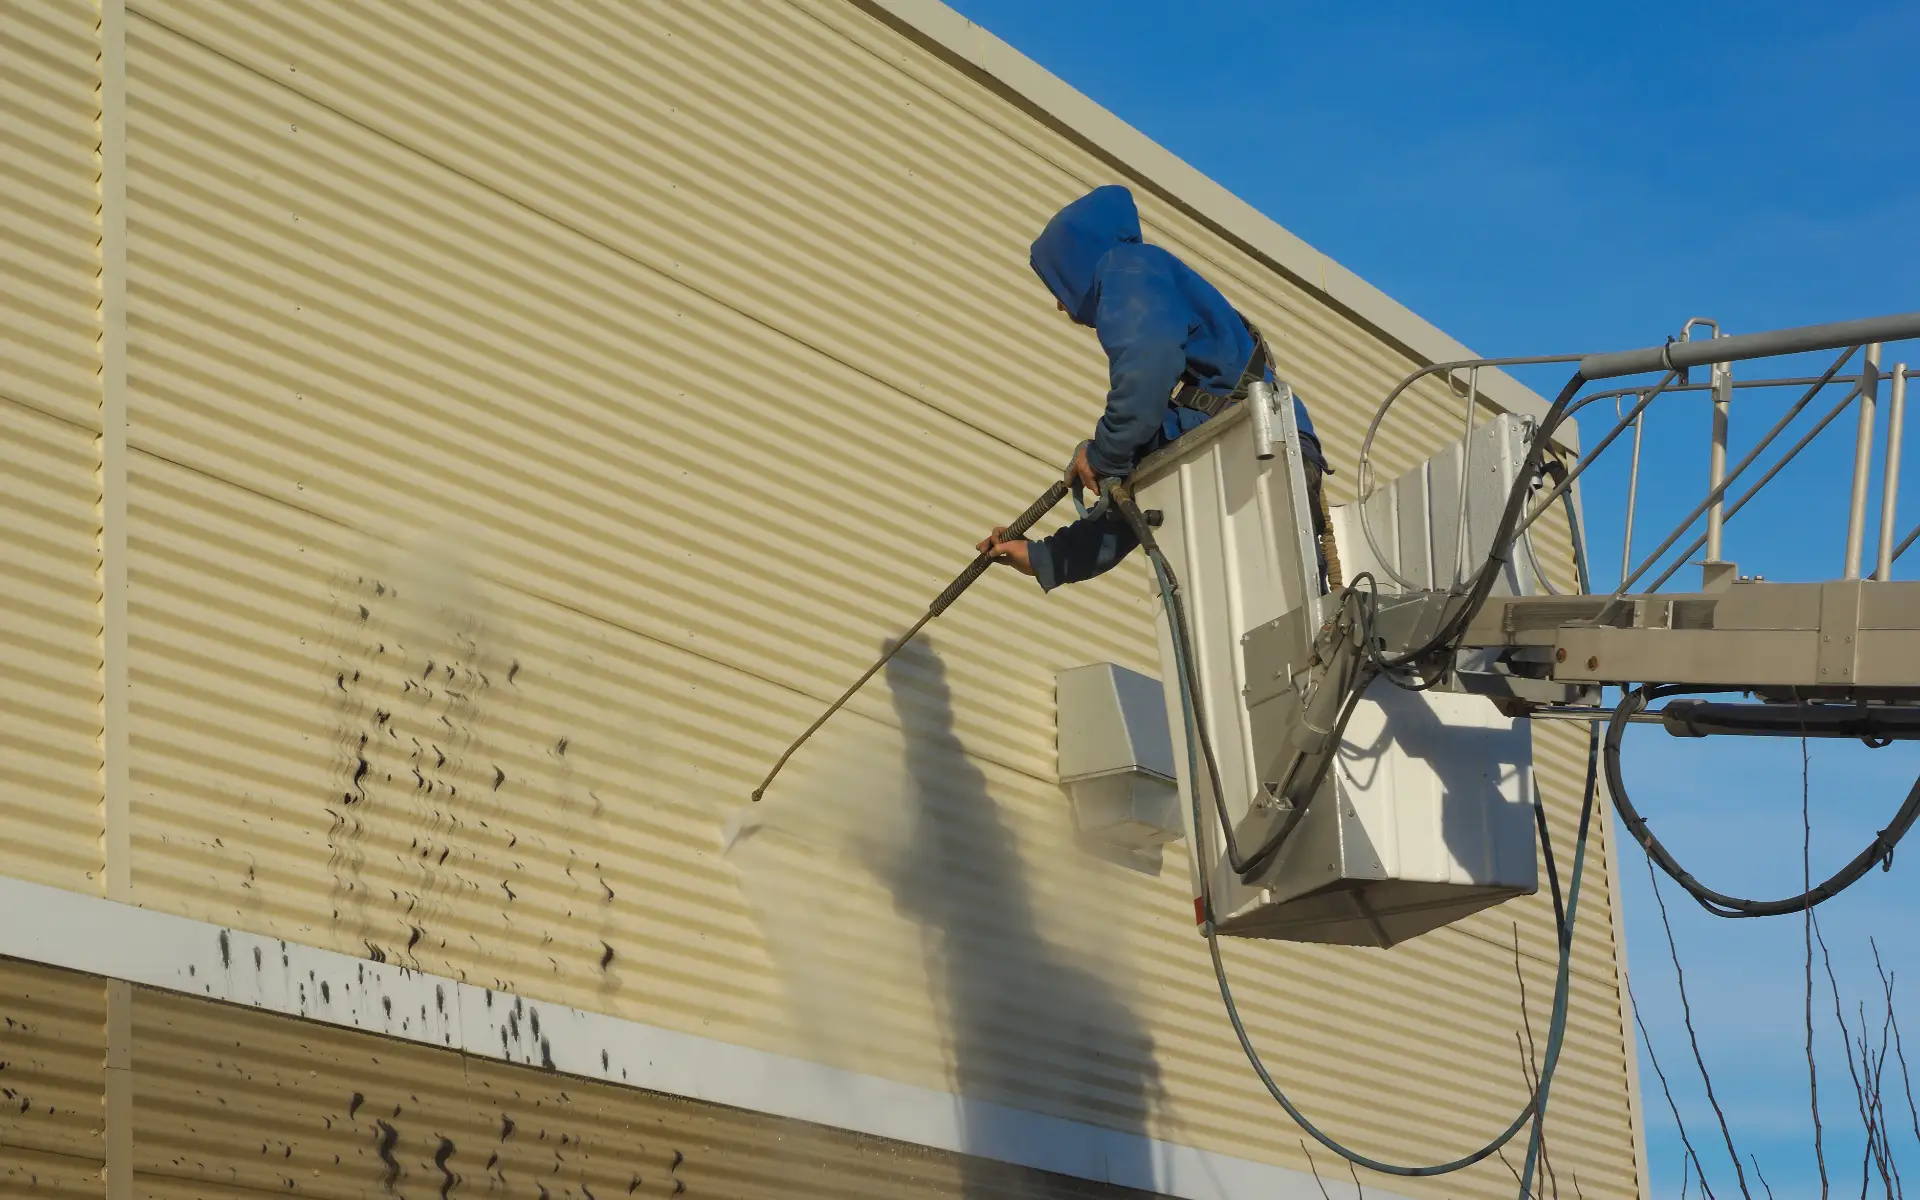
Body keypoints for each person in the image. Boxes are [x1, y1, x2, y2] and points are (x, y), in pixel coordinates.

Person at [978, 185, 1332, 592]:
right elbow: (1141, 496)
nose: (1061, 304)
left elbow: (1145, 371)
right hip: (1249, 453)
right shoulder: (1186, 403)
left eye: (1058, 286)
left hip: (1255, 451)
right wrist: (1047, 558)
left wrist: (1102, 453)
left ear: (1075, 263)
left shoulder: (1127, 269)